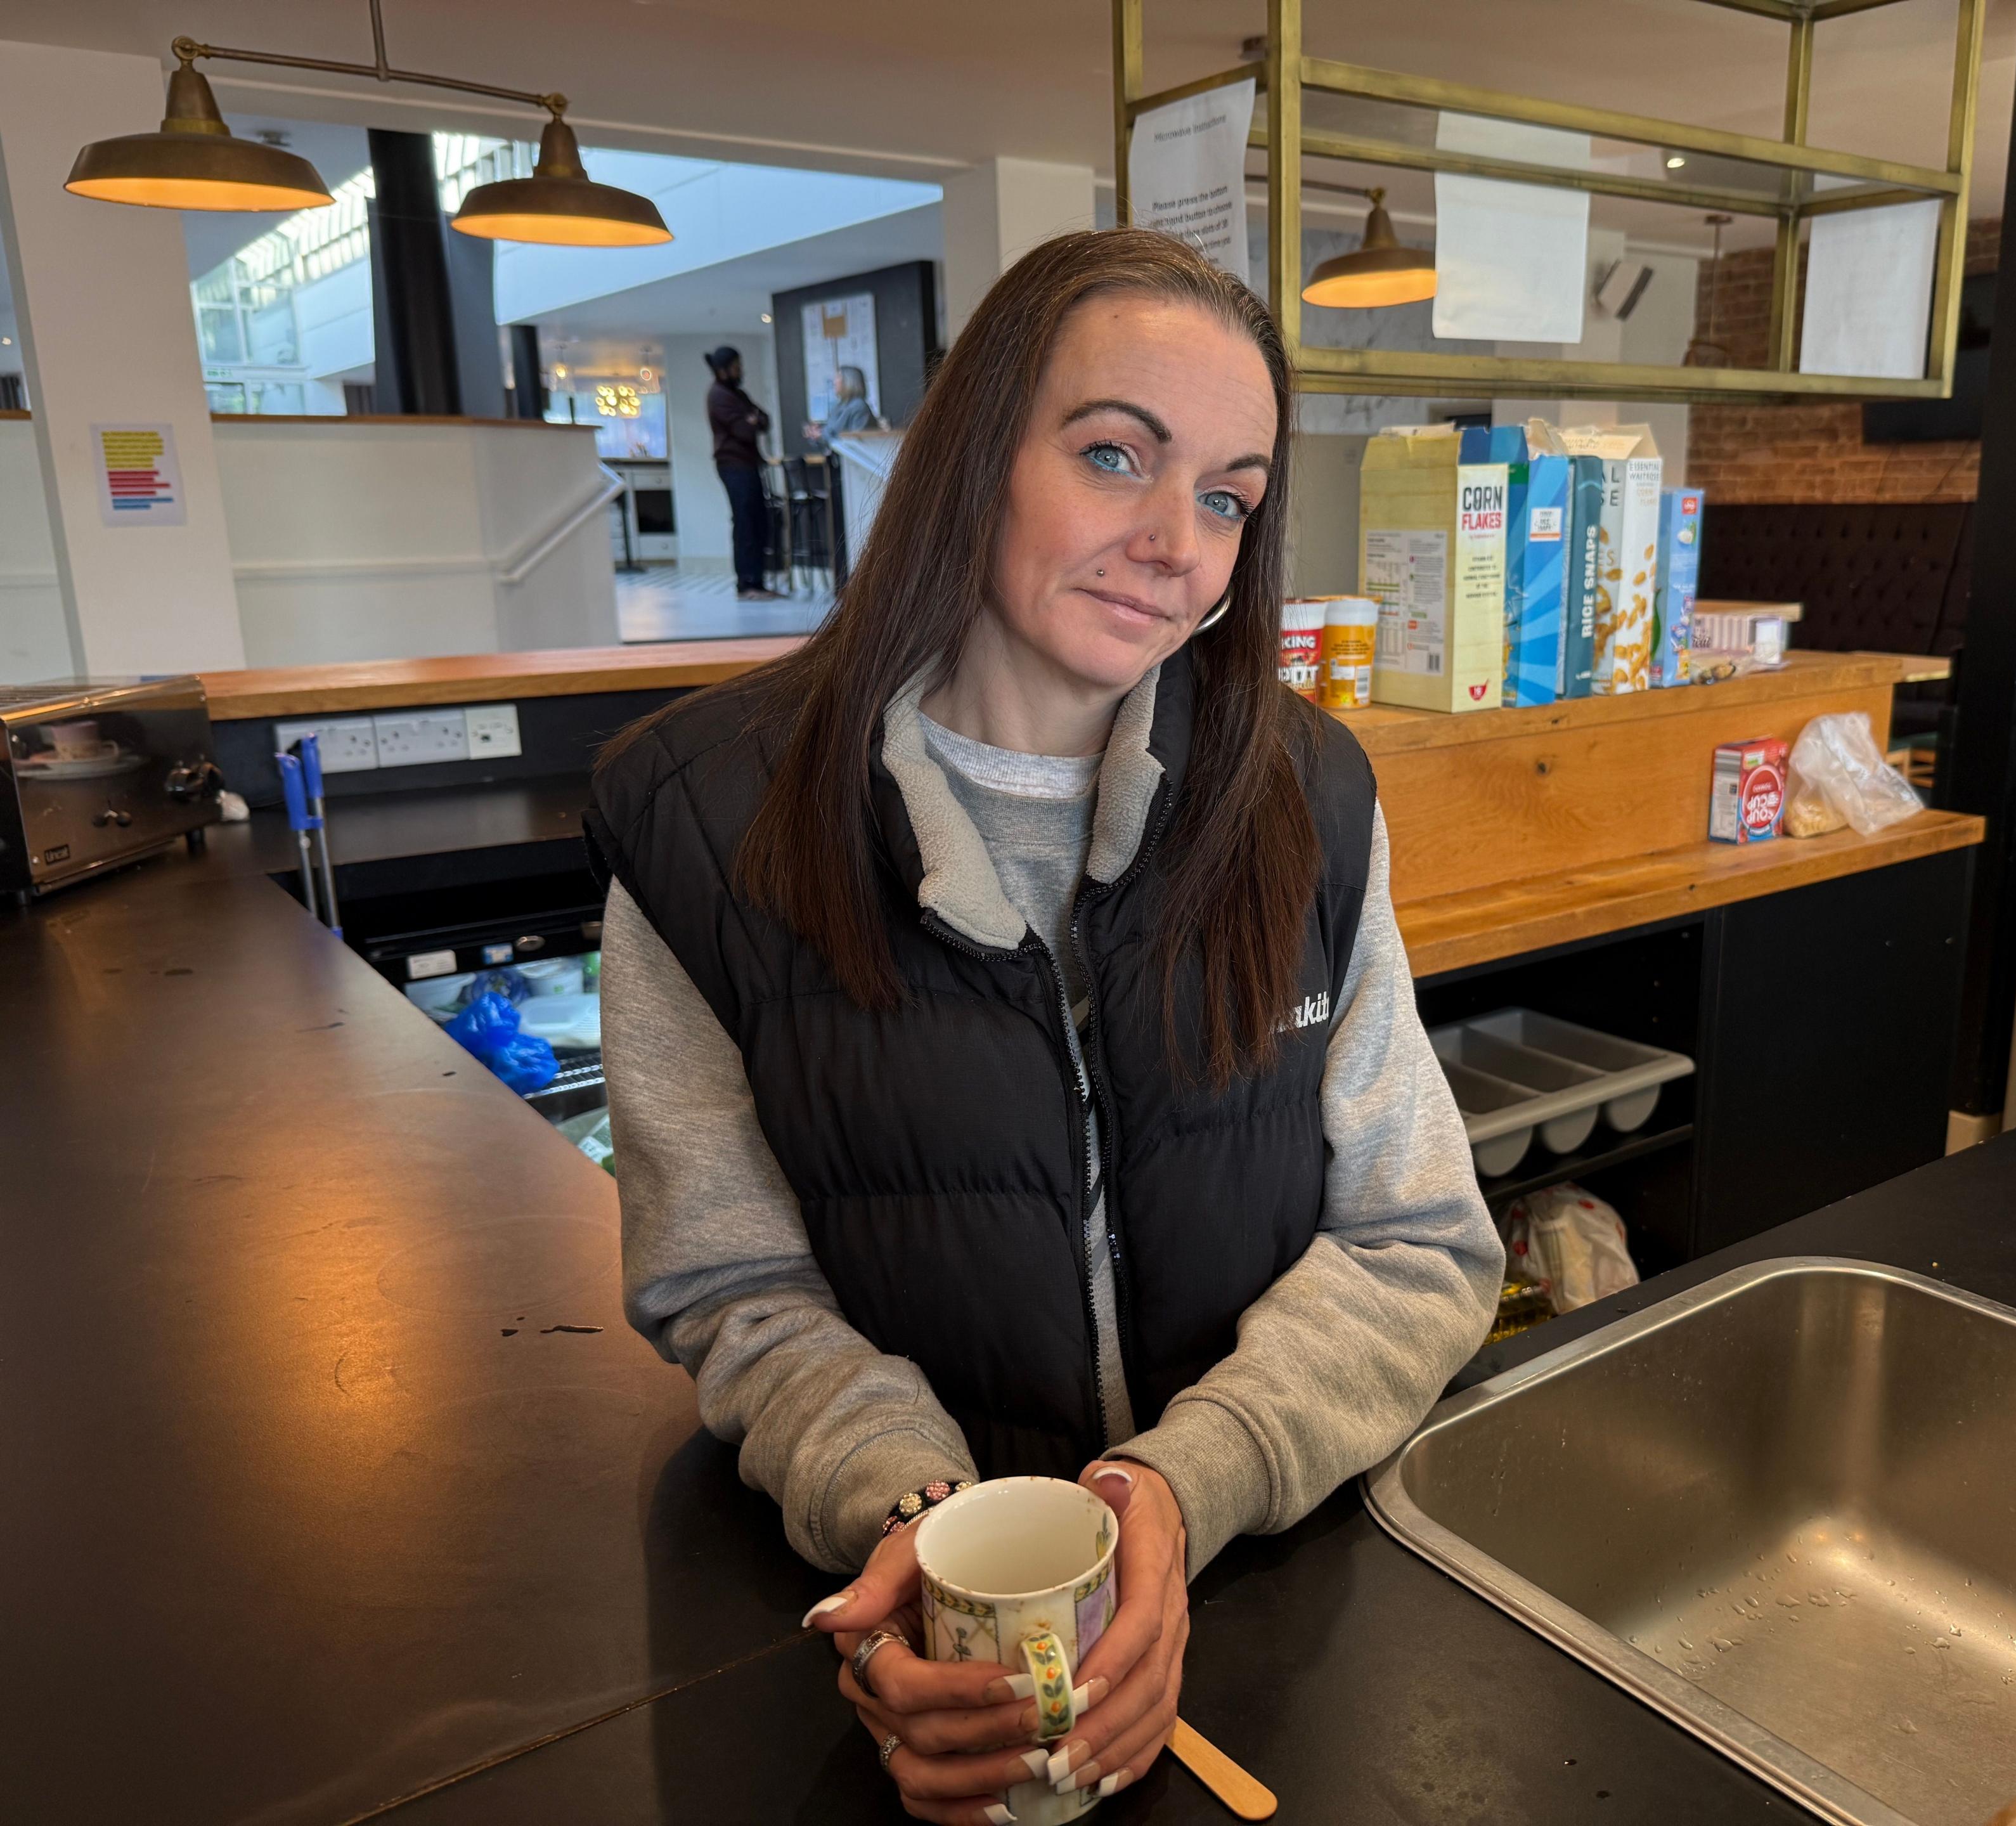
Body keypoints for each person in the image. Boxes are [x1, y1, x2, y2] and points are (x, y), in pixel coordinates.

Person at [591, 230, 1500, 1822]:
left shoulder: (1307, 797)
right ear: (971, 460)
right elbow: (730, 1285)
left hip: (1276, 1606)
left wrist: (1177, 1482)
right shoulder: (704, 821)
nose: (1174, 542)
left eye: (1225, 496)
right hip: (899, 1621)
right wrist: (929, 1538)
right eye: (1110, 456)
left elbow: (1420, 1237)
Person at [704, 344, 780, 601]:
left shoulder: (737, 394)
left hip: (747, 465)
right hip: (734, 467)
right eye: (737, 366)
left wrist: (753, 419)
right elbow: (745, 431)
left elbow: (764, 420)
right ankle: (747, 584)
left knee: (757, 522)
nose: (741, 371)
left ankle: (756, 582)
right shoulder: (719, 396)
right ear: (724, 370)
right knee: (746, 523)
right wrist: (751, 421)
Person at [804, 361, 878, 446]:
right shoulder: (839, 406)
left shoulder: (859, 407)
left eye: (838, 378)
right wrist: (817, 433)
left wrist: (822, 435)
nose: (834, 382)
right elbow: (832, 431)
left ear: (849, 382)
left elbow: (855, 441)